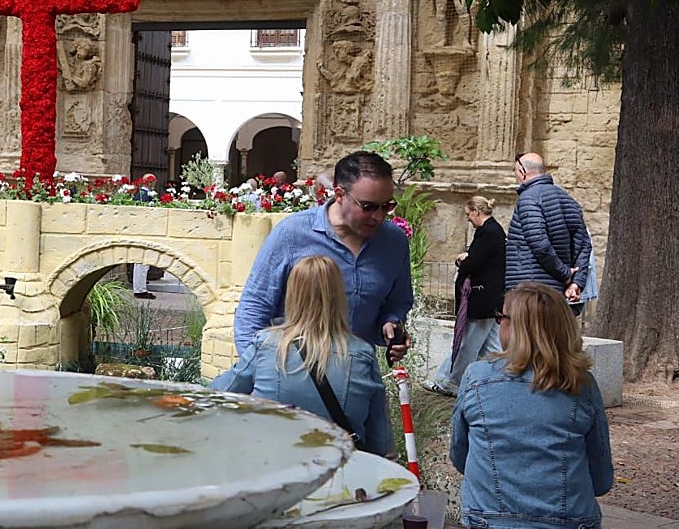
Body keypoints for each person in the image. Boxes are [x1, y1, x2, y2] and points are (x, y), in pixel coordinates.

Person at [450, 283, 613, 529]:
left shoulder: (476, 377)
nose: (498, 324)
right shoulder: (582, 384)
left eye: (501, 317)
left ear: (515, 327)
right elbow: (601, 479)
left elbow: (459, 456)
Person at [235, 151, 413, 361]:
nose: (378, 216)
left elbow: (398, 302)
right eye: (368, 207)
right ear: (339, 195)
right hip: (292, 370)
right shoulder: (292, 234)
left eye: (387, 206)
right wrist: (257, 368)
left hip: (357, 372)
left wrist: (391, 325)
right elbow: (254, 308)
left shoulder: (394, 242)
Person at [212, 256, 391, 455]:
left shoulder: (267, 345)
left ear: (292, 295)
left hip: (273, 464)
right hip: (339, 468)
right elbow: (379, 443)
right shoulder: (363, 356)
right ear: (340, 297)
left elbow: (219, 394)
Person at [426, 196, 505, 395]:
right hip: (491, 297)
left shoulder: (487, 232)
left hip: (481, 298)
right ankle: (492, 381)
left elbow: (473, 263)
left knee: (467, 344)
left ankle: (453, 382)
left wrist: (461, 260)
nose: (468, 218)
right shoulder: (494, 230)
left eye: (468, 214)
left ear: (477, 211)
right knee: (491, 346)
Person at [505, 153, 591, 314]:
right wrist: (575, 283)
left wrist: (565, 274)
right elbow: (584, 245)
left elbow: (539, 243)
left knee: (529, 331)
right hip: (555, 293)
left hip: (529, 293)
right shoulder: (568, 200)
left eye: (515, 171)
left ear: (522, 172)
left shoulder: (528, 199)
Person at [132, 174, 157, 299]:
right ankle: (140, 290)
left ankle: (140, 287)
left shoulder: (141, 193)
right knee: (142, 262)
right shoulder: (144, 195)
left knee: (142, 262)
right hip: (143, 230)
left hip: (142, 229)